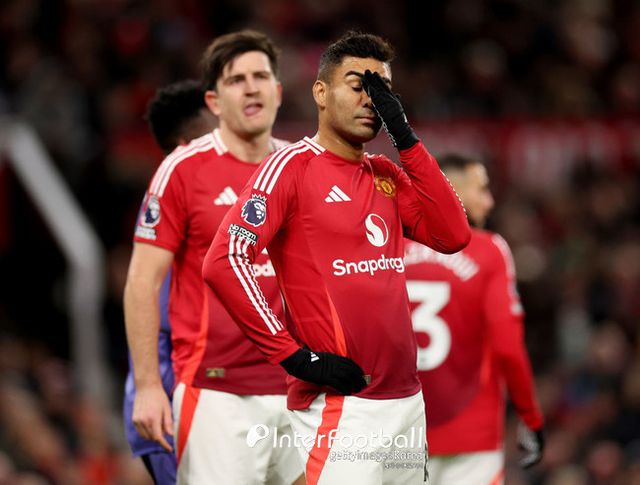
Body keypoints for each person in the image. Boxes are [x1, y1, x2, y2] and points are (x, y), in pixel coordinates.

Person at [203, 31, 470, 484]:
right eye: (359, 85)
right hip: (343, 405)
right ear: (321, 93)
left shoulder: (385, 174)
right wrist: (294, 358)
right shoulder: (290, 168)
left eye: (382, 90)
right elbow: (225, 260)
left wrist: (405, 138)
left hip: (407, 401)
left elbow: (454, 234)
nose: (372, 100)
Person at [123, 30, 303, 484]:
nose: (251, 88)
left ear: (278, 91)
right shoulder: (181, 169)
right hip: (216, 392)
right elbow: (142, 282)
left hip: (301, 388)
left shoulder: (303, 167)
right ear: (214, 101)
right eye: (236, 80)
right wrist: (148, 386)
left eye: (260, 77)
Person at [404, 154, 545, 485]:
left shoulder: (387, 247)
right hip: (471, 435)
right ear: (452, 190)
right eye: (481, 189)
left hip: (397, 431)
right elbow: (508, 348)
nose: (490, 201)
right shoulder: (489, 251)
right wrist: (530, 416)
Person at [123, 79, 217, 485]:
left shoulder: (227, 198)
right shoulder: (170, 204)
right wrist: (150, 389)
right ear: (185, 144)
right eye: (214, 128)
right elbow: (146, 299)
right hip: (174, 394)